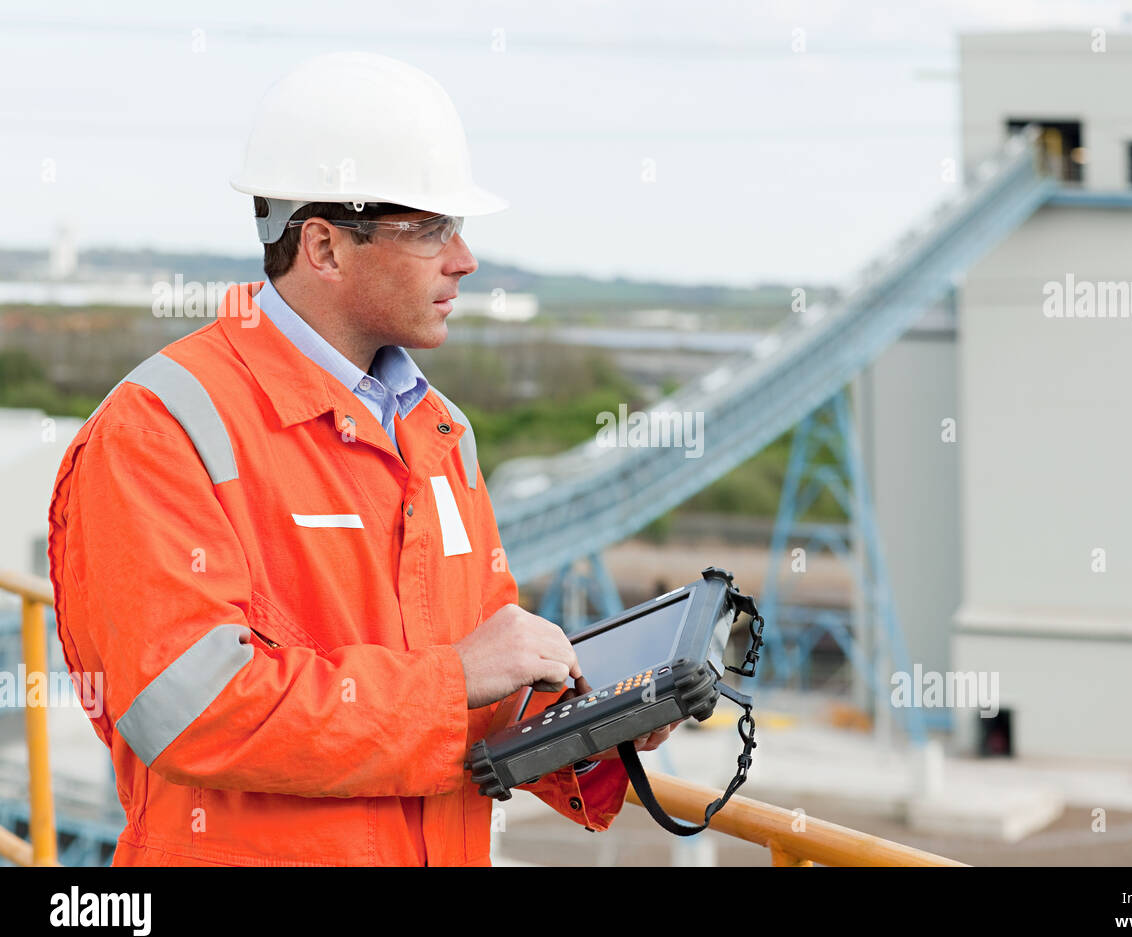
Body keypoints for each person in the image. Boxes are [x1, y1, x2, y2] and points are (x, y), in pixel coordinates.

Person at [45, 51, 680, 866]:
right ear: (324, 246)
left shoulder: (440, 431)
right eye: (430, 229)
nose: (465, 259)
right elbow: (195, 712)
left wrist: (597, 725)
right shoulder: (161, 429)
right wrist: (456, 679)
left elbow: (485, 692)